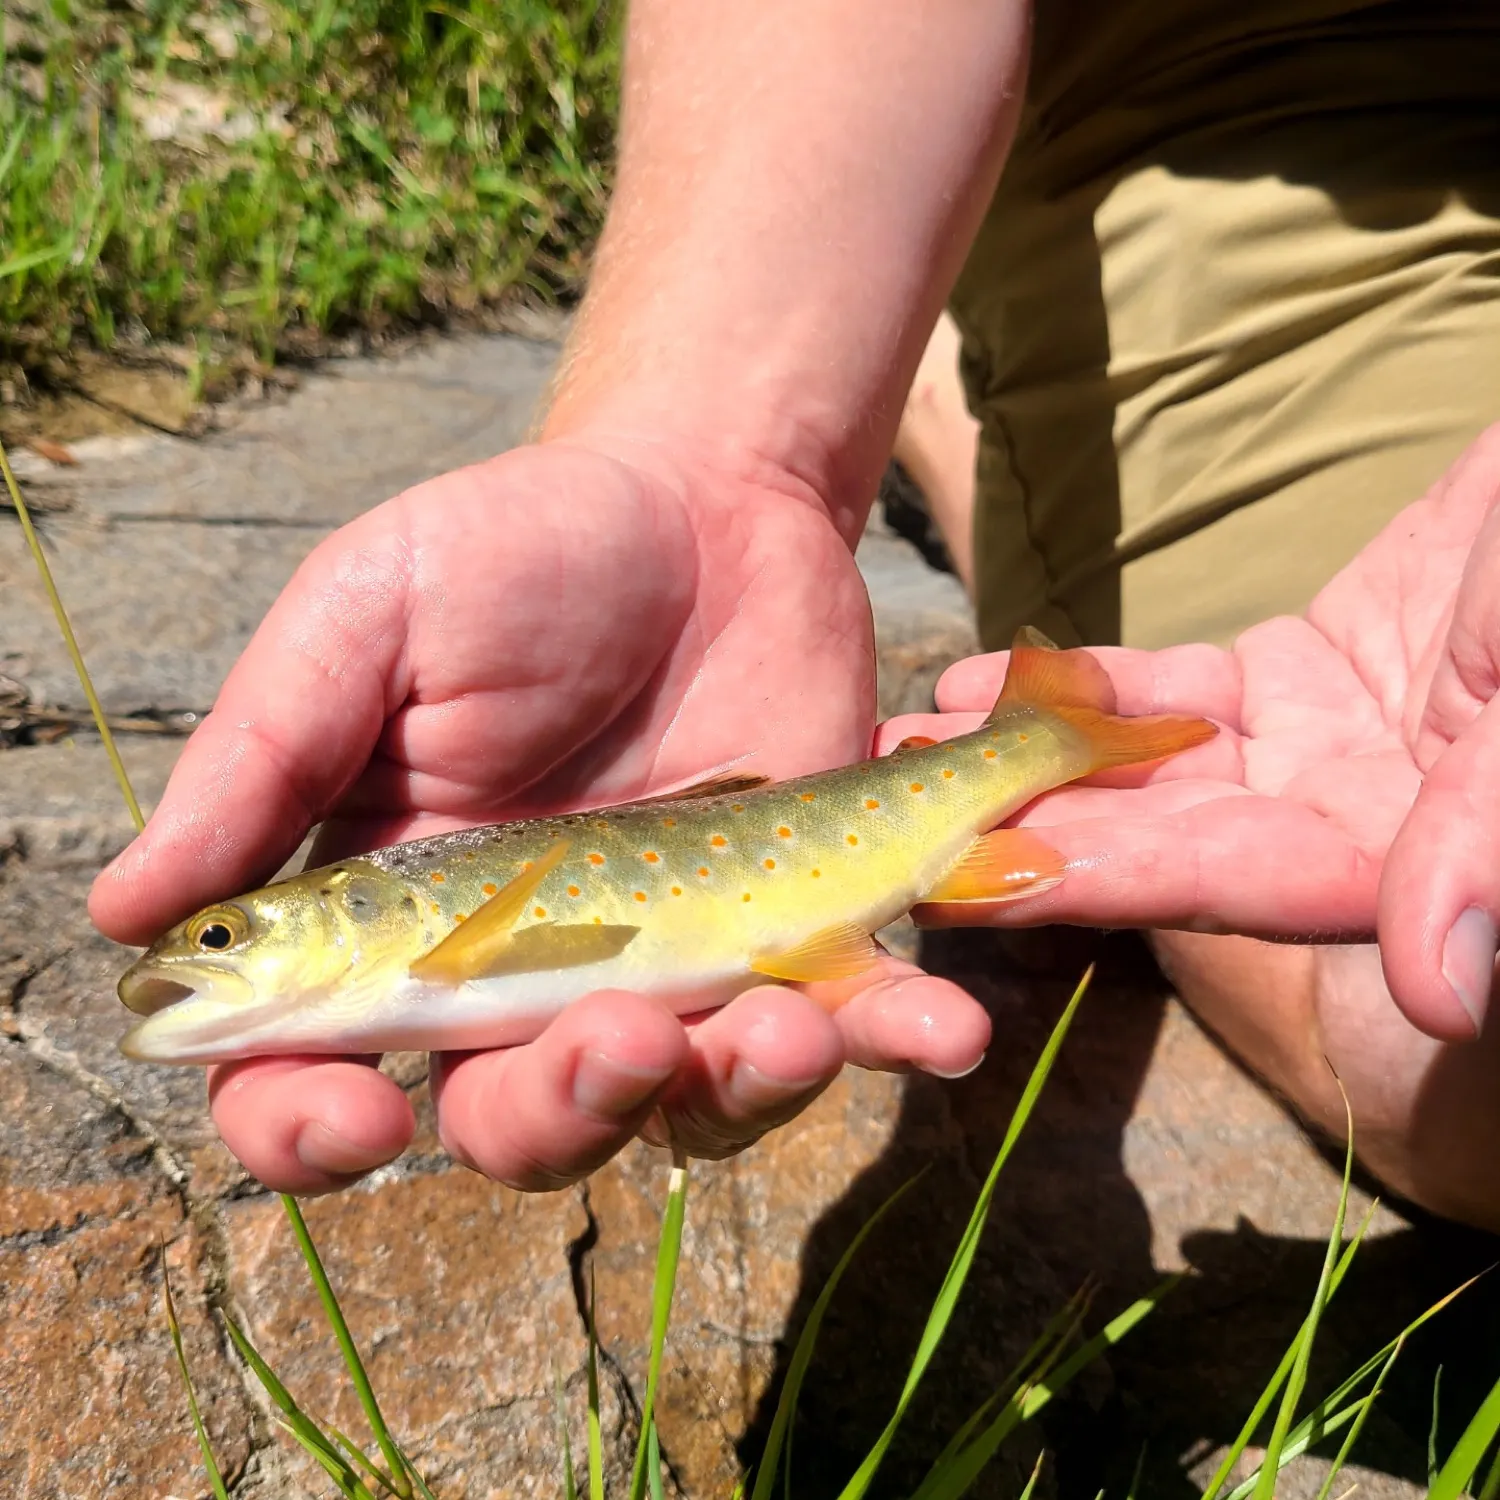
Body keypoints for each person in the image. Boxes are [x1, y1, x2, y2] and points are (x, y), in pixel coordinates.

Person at [90, 0, 1500, 1229]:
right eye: (225, 941)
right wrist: (728, 449)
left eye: (221, 942)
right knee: (1453, 1058)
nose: (191, 961)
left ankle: (965, 397)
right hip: (1279, 114)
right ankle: (944, 368)